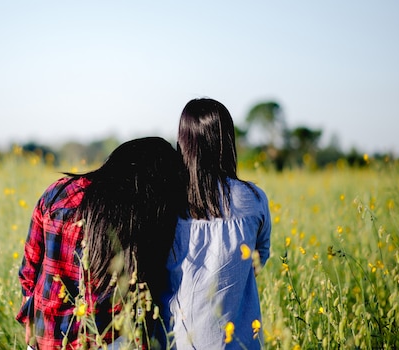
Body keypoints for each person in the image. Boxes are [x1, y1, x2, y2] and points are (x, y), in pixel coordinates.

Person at [17, 137, 185, 349]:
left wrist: (28, 315)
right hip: (105, 340)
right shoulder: (136, 217)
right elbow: (140, 295)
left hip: (46, 338)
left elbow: (29, 269)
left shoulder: (58, 193)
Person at [164, 98, 271, 349]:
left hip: (179, 340)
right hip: (241, 341)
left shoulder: (169, 200)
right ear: (227, 142)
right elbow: (259, 259)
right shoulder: (254, 199)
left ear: (184, 142)